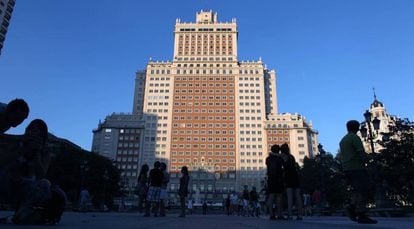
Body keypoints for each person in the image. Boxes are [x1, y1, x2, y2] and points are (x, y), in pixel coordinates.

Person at [339, 120, 377, 224]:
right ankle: (361, 214)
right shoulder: (355, 138)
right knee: (362, 190)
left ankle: (352, 208)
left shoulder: (343, 140)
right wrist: (369, 162)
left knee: (356, 190)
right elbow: (361, 153)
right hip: (357, 167)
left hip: (347, 168)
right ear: (357, 128)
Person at [280, 143, 303, 220]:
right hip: (295, 176)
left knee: (290, 196)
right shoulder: (291, 156)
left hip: (288, 177)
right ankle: (300, 215)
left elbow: (273, 154)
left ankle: (290, 215)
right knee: (297, 196)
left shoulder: (283, 157)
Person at [265, 144, 285, 220]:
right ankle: (280, 214)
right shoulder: (280, 158)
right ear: (278, 151)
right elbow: (283, 163)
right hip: (278, 178)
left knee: (272, 195)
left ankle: (271, 214)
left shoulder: (268, 159)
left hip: (270, 178)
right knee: (279, 196)